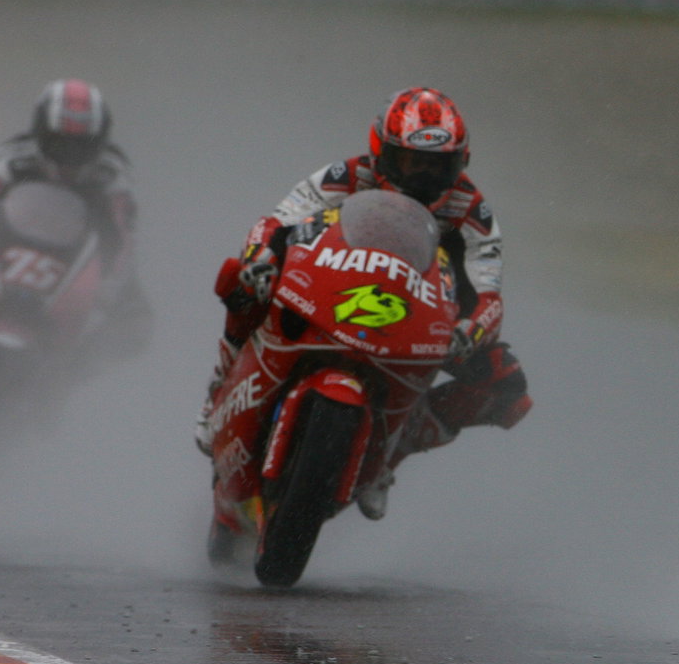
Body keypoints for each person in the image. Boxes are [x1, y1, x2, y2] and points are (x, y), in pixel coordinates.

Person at [195, 86, 532, 520]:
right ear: (381, 152)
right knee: (240, 282)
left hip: (418, 309)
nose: (423, 178)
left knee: (505, 383)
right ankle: (217, 390)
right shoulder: (345, 176)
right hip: (330, 286)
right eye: (411, 162)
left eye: (438, 166)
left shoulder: (473, 211)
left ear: (461, 163)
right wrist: (259, 259)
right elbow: (277, 222)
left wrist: (470, 330)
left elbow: (488, 292)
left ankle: (391, 454)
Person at [0, 78, 146, 337]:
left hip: (75, 266)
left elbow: (124, 242)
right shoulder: (11, 159)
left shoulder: (113, 179)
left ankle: (68, 359)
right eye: (60, 145)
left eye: (82, 149)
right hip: (6, 255)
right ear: (41, 134)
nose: (69, 161)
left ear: (99, 145)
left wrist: (109, 287)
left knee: (136, 323)